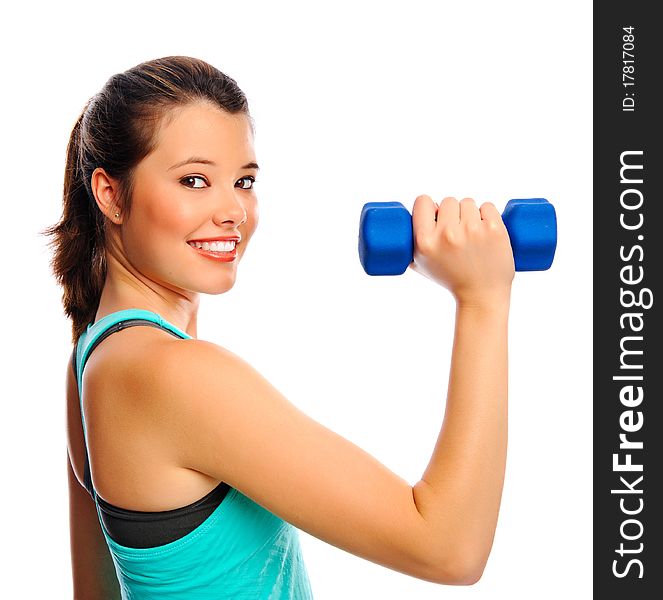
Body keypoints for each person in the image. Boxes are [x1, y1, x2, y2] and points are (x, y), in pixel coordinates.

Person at [43, 55, 515, 599]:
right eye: (194, 180)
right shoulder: (173, 374)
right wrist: (482, 298)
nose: (233, 211)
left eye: (243, 181)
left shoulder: (90, 357)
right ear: (110, 194)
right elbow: (450, 549)